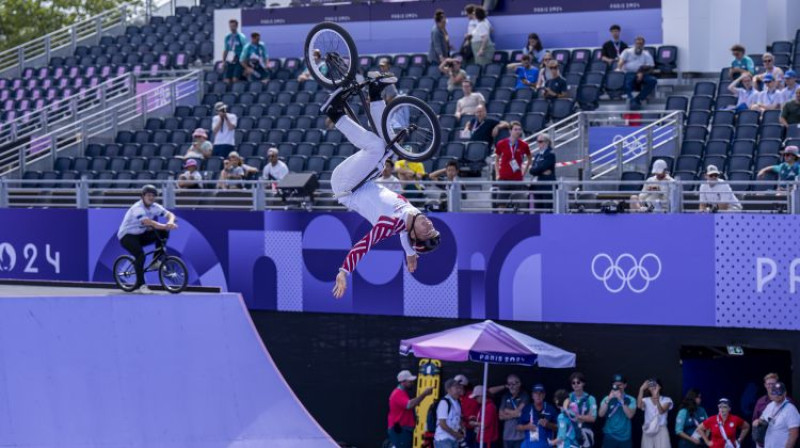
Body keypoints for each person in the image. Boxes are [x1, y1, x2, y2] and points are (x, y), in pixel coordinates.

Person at [320, 72, 441, 299]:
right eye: (433, 227)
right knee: (388, 145)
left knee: (375, 147)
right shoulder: (413, 216)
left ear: (415, 235)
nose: (428, 224)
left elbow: (363, 246)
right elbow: (408, 237)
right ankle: (375, 93)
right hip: (365, 180)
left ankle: (334, 113)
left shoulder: (390, 225)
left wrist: (343, 271)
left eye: (427, 231)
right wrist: (410, 254)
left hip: (346, 187)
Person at [117, 185, 178, 294]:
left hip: (140, 235)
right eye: (148, 195)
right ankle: (141, 285)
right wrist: (165, 225)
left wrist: (170, 222)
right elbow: (148, 222)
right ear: (142, 196)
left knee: (162, 233)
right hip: (126, 236)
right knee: (140, 256)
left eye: (153, 196)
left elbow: (170, 214)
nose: (151, 198)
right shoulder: (137, 208)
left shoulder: (154, 206)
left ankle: (156, 260)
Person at [388, 370, 434, 448]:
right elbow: (409, 405)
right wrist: (424, 394)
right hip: (400, 429)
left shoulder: (402, 393)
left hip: (403, 429)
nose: (412, 383)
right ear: (403, 382)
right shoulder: (397, 393)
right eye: (410, 381)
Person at [494, 121, 531, 212]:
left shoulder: (524, 145)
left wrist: (523, 173)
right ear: (510, 131)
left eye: (519, 129)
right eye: (515, 129)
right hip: (504, 178)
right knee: (501, 205)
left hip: (517, 179)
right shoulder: (501, 143)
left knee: (518, 205)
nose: (518, 131)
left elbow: (530, 159)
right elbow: (496, 160)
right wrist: (497, 174)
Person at [754, 382, 800, 448]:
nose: (776, 395)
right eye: (774, 392)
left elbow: (794, 435)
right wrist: (758, 422)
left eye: (779, 392)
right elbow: (762, 421)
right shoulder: (769, 406)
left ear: (785, 393)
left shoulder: (790, 409)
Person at [618, 36, 656, 109]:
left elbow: (651, 66)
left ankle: (638, 98)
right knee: (627, 83)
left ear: (643, 44)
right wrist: (618, 68)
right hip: (629, 72)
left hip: (642, 73)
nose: (639, 44)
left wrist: (641, 73)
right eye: (637, 43)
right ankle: (632, 100)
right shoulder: (627, 51)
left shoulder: (646, 53)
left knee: (653, 81)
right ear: (635, 43)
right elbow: (621, 62)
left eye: (641, 43)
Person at [598, 374, 637, 448]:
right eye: (615, 385)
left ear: (625, 385)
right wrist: (609, 399)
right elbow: (600, 414)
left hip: (625, 436)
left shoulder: (631, 399)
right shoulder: (607, 398)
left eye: (620, 385)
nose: (618, 387)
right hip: (609, 434)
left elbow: (630, 415)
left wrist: (621, 400)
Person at [637, 379, 673, 448]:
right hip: (648, 429)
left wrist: (656, 396)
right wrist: (641, 389)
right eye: (650, 385)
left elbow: (661, 411)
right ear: (648, 388)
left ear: (660, 387)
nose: (653, 386)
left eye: (655, 384)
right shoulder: (645, 400)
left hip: (661, 429)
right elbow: (639, 406)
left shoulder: (667, 400)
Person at [500, 374, 531, 448]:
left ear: (519, 384)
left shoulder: (524, 395)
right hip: (507, 436)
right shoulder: (505, 396)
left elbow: (520, 412)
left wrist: (507, 410)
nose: (511, 386)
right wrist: (516, 414)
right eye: (509, 384)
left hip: (520, 436)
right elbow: (500, 416)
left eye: (513, 384)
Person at [568, 372, 598, 446]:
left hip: (585, 432)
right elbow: (565, 414)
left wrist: (578, 417)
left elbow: (593, 418)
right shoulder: (568, 397)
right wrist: (585, 417)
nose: (576, 384)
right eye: (573, 383)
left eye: (578, 382)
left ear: (583, 383)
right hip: (571, 433)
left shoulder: (590, 399)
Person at [529, 134, 556, 213]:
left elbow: (542, 167)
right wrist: (539, 171)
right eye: (537, 142)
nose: (538, 143)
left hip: (547, 185)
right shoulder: (538, 155)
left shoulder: (550, 154)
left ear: (546, 142)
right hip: (537, 184)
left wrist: (537, 170)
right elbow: (532, 170)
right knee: (538, 208)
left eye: (540, 141)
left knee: (548, 208)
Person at [436, 378, 466, 448]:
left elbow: (458, 418)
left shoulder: (458, 402)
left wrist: (462, 428)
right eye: (456, 387)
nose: (459, 389)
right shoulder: (444, 402)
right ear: (448, 389)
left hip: (454, 439)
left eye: (459, 387)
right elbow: (442, 424)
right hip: (444, 439)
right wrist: (455, 434)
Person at [222, 19, 247, 84]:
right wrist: (223, 61)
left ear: (236, 26)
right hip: (230, 60)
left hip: (238, 60)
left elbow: (246, 50)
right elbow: (226, 50)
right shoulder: (227, 37)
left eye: (233, 26)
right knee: (226, 80)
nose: (231, 28)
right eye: (230, 26)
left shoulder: (241, 37)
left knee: (235, 79)